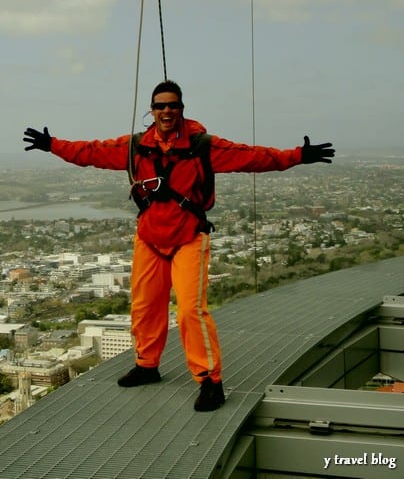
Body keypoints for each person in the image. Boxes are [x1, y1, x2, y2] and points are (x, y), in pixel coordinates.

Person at [23, 80, 335, 411]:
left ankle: (210, 381)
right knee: (145, 306)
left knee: (190, 310)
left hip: (188, 236)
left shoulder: (202, 145)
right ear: (152, 110)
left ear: (181, 109)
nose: (166, 111)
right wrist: (52, 144)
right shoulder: (135, 147)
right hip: (150, 237)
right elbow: (91, 152)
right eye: (160, 106)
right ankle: (147, 364)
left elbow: (253, 157)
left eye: (172, 105)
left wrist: (298, 156)